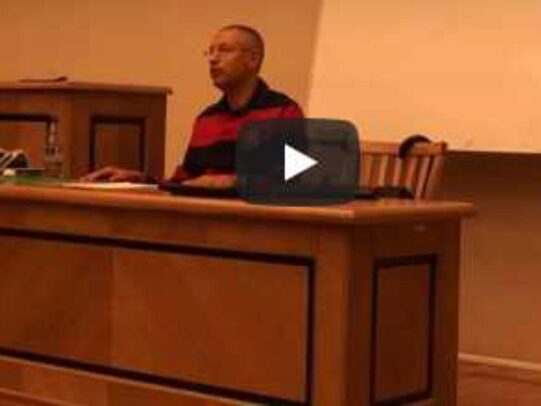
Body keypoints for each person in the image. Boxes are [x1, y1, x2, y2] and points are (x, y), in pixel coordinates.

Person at [82, 25, 303, 187]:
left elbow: (296, 178)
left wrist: (235, 181)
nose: (213, 59)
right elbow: (186, 181)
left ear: (252, 59)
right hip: (203, 221)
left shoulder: (284, 112)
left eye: (224, 50)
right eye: (210, 51)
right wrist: (140, 180)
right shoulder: (207, 118)